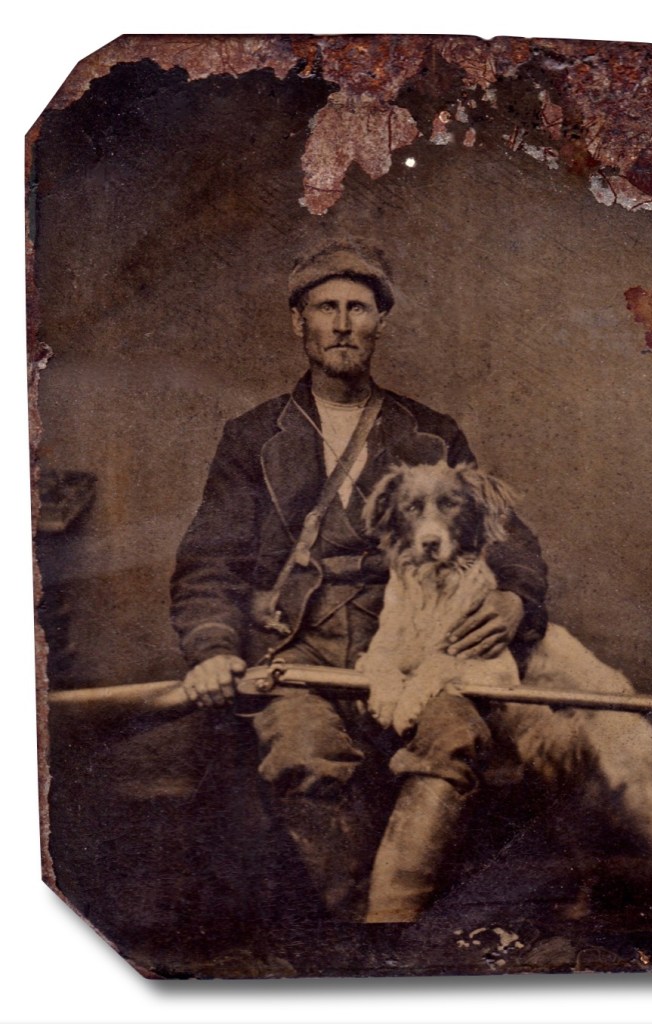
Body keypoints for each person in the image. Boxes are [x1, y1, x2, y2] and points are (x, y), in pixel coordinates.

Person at [170, 240, 548, 923]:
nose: (343, 324)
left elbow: (507, 538)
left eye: (358, 308)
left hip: (412, 647)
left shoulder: (431, 433)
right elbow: (209, 562)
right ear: (300, 323)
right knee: (303, 752)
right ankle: (362, 944)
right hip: (297, 653)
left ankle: (388, 925)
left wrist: (514, 598)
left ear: (380, 322)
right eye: (326, 308)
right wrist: (213, 648)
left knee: (453, 740)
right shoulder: (251, 437)